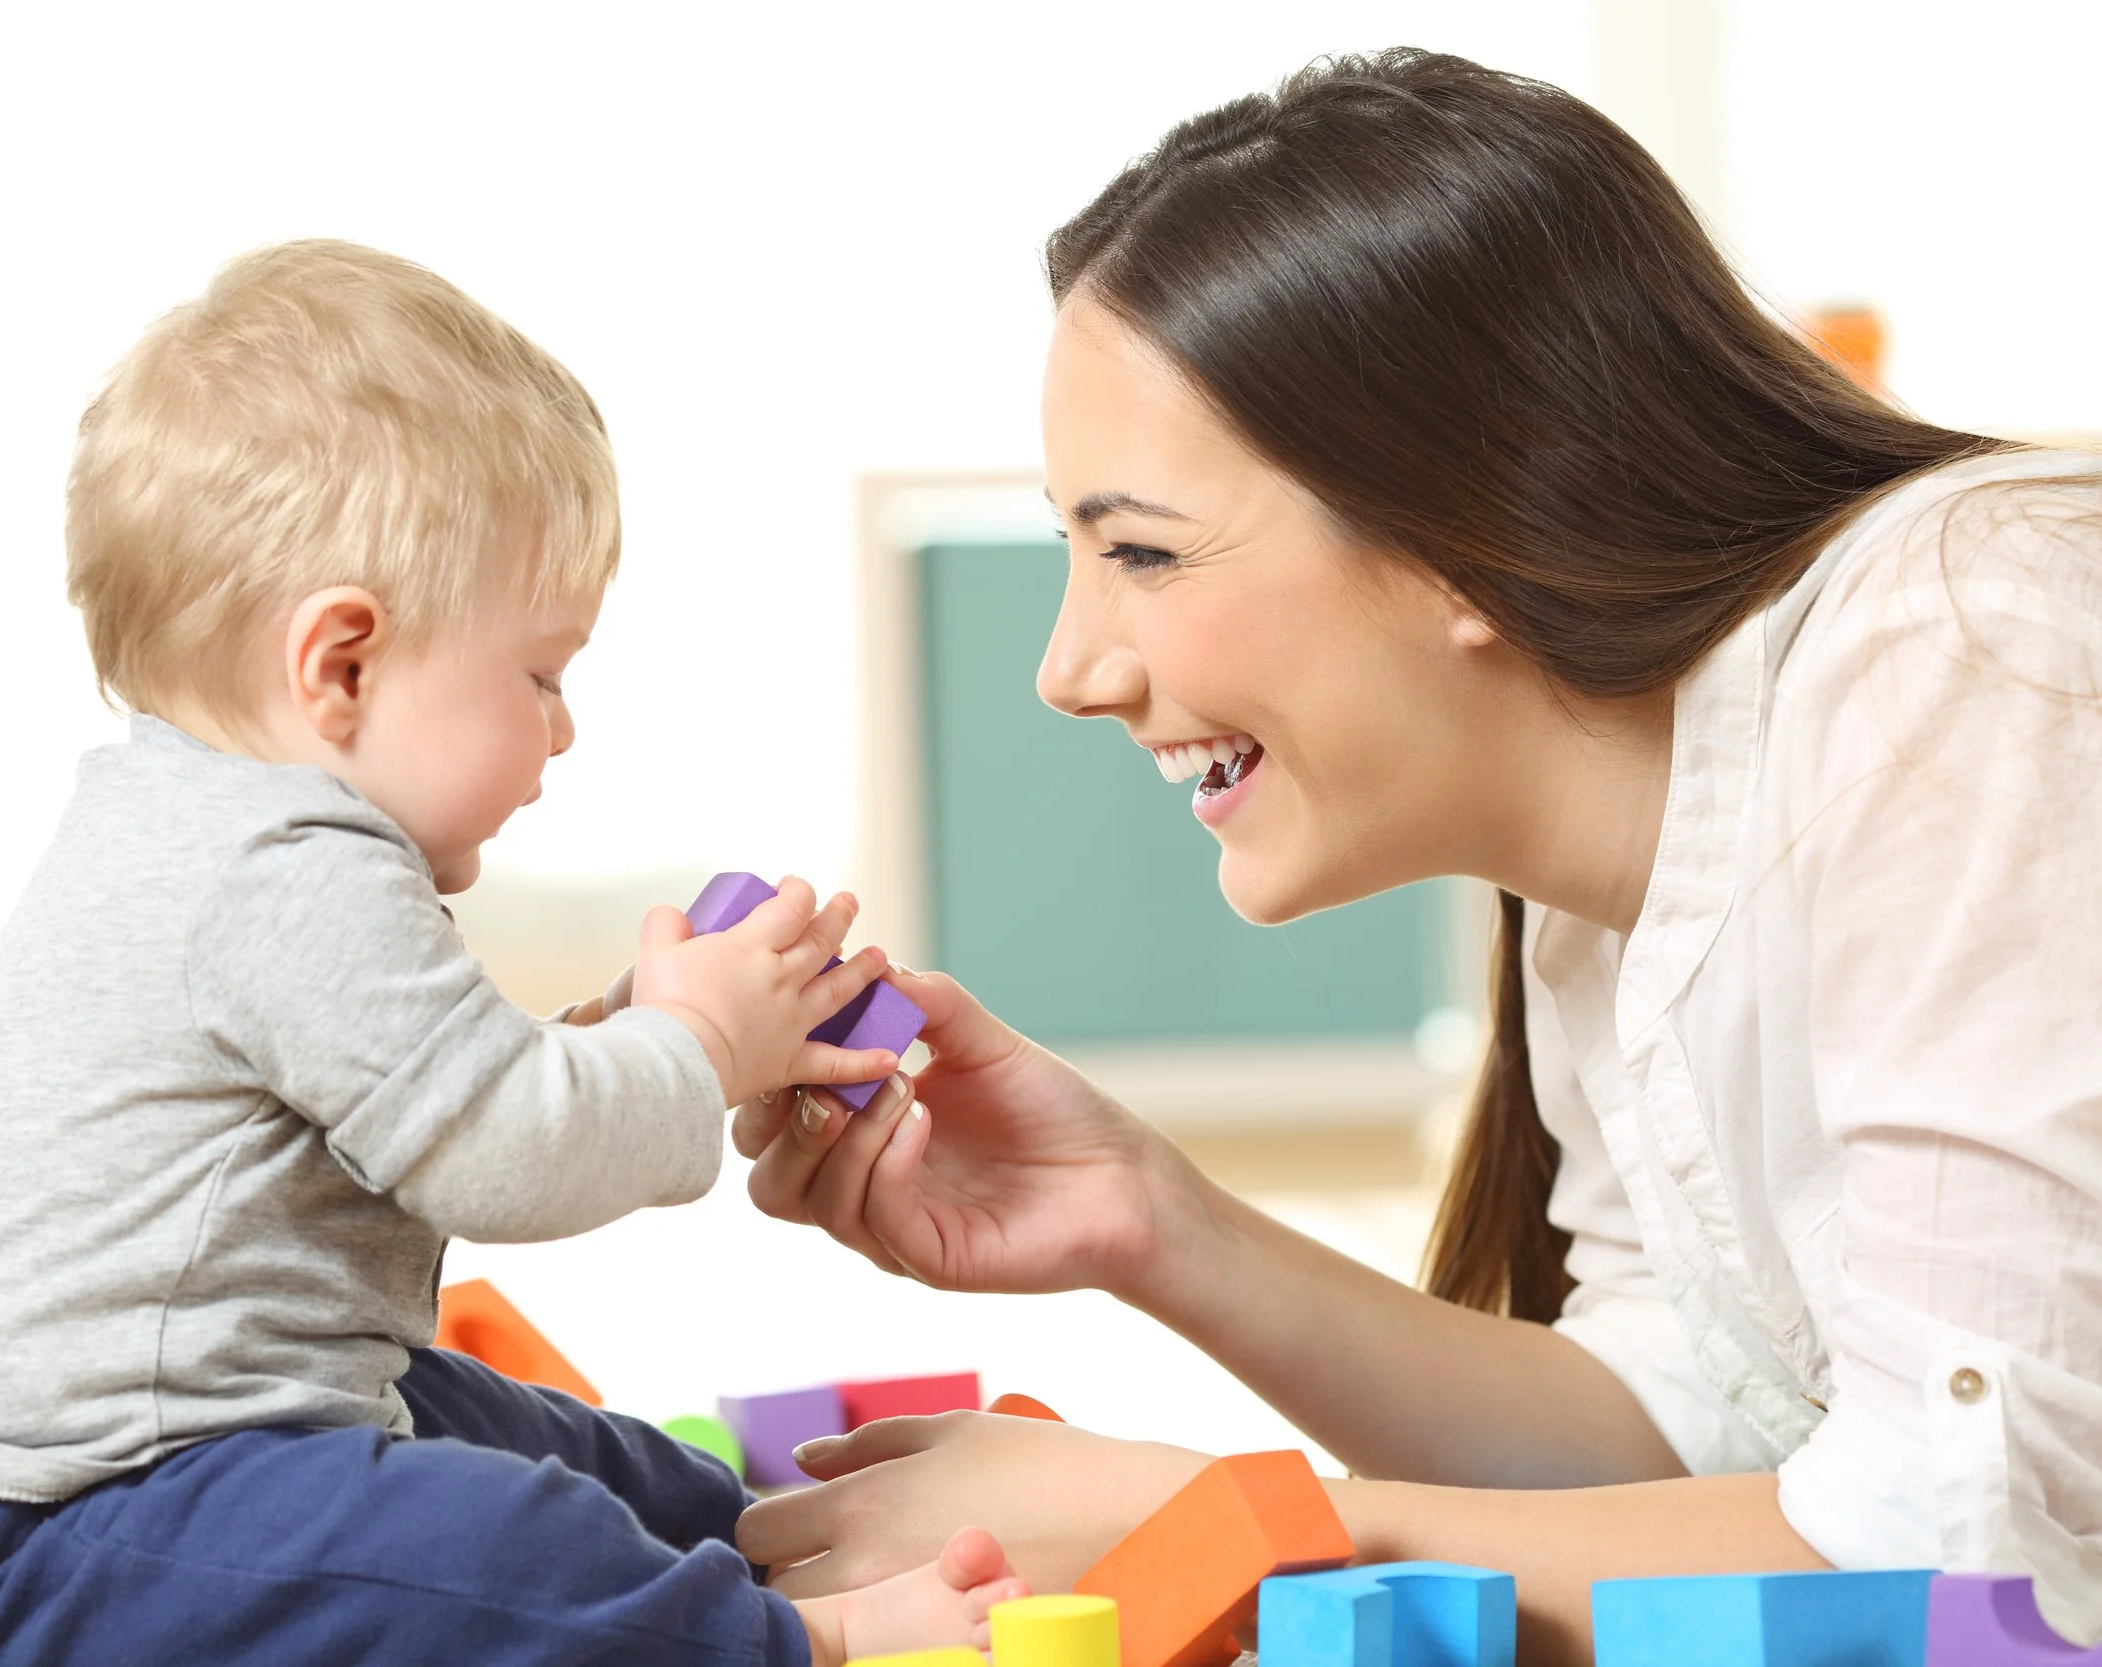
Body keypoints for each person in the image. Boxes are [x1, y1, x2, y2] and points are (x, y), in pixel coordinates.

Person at [729, 49, 2102, 1665]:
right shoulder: (1606, 887)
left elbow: (1971, 1553)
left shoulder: (1972, 638)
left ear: (1471, 514)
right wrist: (1151, 1217)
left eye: (1144, 552)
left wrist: (1231, 1523)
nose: (1073, 667)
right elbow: (1702, 1438)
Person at [0, 240, 1027, 1667]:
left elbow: (443, 1084)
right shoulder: (279, 868)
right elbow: (503, 1151)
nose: (561, 730)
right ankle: (788, 1639)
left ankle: (746, 1538)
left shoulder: (200, 819)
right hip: (45, 1535)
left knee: (558, 1454)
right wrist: (695, 1047)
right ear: (343, 665)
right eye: (540, 675)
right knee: (488, 1540)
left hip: (135, 1465)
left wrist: (636, 1019)